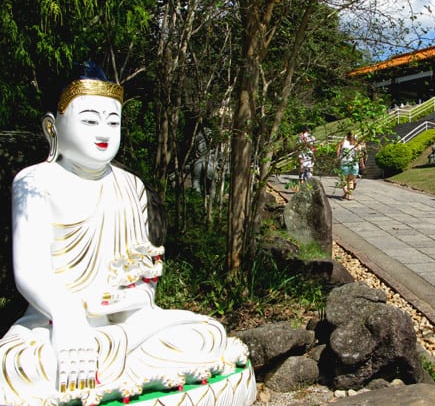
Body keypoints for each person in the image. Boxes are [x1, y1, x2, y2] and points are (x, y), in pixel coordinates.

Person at [0, 63, 255, 406]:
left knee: (208, 335)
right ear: (52, 127)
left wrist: (137, 298)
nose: (103, 131)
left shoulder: (129, 185)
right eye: (89, 120)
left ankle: (114, 362)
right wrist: (70, 319)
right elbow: (30, 272)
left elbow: (138, 267)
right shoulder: (35, 183)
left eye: (114, 121)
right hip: (52, 326)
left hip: (126, 324)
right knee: (28, 367)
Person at [336, 131, 361, 200]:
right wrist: (362, 163)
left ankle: (346, 191)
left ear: (347, 135)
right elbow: (360, 154)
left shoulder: (343, 142)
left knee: (343, 179)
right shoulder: (357, 144)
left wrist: (338, 158)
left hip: (344, 163)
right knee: (350, 180)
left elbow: (338, 151)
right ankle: (350, 195)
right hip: (354, 164)